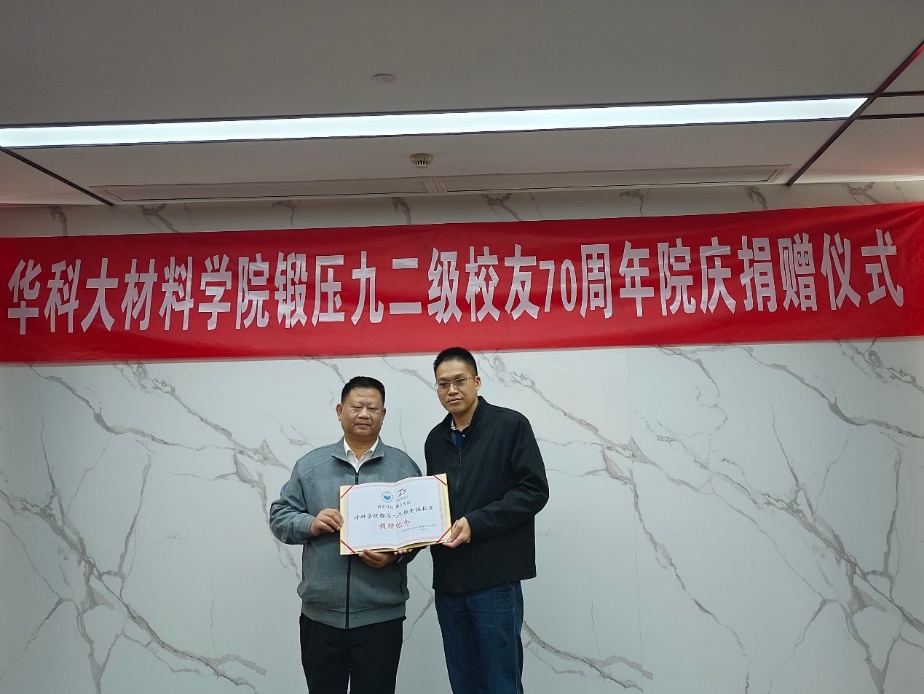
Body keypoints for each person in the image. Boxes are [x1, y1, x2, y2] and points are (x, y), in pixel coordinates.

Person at [269, 376, 421, 694]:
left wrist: (394, 556)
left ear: (383, 414)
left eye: (372, 408)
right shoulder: (311, 465)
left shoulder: (404, 468)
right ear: (340, 411)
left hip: (380, 617)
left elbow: (420, 531)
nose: (364, 414)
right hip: (321, 616)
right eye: (356, 407)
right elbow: (280, 517)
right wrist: (310, 523)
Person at [425, 347, 550, 694]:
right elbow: (434, 504)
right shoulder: (435, 439)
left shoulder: (510, 425)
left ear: (477, 382)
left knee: (500, 682)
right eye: (443, 384)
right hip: (449, 581)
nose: (452, 390)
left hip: (495, 579)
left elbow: (534, 491)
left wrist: (476, 523)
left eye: (459, 381)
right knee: (463, 681)